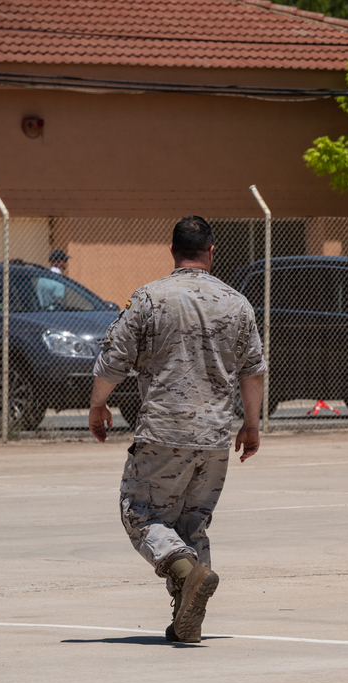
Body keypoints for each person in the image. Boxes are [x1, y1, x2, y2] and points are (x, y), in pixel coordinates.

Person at [88, 216, 266, 644]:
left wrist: (97, 405)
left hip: (165, 431)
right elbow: (254, 371)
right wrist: (252, 425)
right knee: (193, 522)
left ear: (172, 251)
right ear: (211, 251)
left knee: (140, 512)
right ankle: (187, 619)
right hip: (216, 437)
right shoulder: (237, 303)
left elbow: (114, 359)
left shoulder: (150, 299)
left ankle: (187, 573)